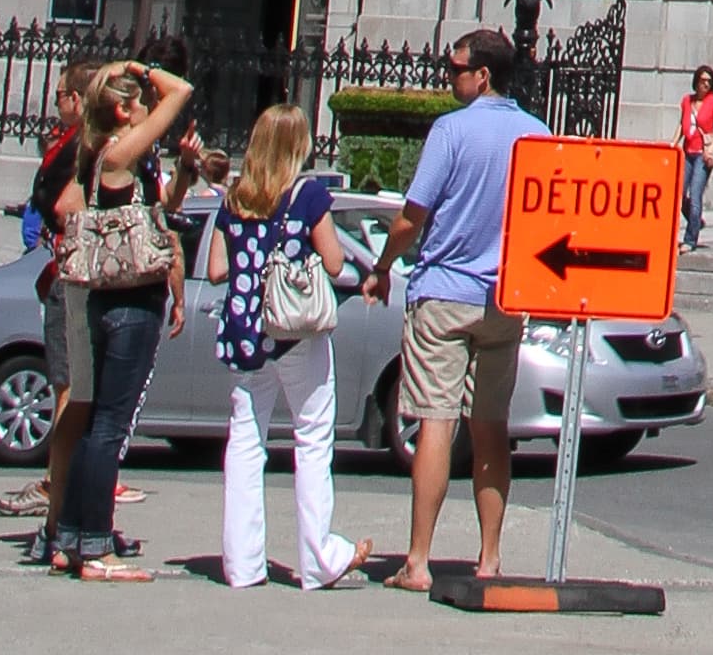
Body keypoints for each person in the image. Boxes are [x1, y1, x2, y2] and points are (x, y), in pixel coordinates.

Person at [360, 30, 546, 591]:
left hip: (444, 292)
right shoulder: (536, 136)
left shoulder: (451, 131)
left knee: (435, 423)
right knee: (491, 428)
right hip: (504, 297)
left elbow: (412, 216)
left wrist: (382, 264)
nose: (449, 78)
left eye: (454, 68)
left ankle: (418, 560)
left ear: (482, 74)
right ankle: (489, 557)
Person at [202, 103, 368, 589]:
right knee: (312, 438)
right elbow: (336, 263)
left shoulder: (235, 197)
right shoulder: (307, 196)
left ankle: (242, 563)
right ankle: (319, 560)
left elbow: (215, 269)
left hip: (247, 332)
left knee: (246, 440)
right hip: (295, 331)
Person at [45, 57, 195, 576]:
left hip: (103, 293)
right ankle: (94, 547)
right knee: (111, 426)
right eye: (136, 102)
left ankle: (70, 535)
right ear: (124, 108)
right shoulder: (119, 150)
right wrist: (141, 66)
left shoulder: (91, 152)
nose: (146, 108)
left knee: (94, 423)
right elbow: (181, 91)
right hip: (133, 299)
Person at [0, 59, 97, 532]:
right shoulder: (85, 147)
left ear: (78, 100)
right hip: (72, 277)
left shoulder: (80, 150)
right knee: (73, 388)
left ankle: (58, 498)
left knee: (69, 389)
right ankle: (63, 496)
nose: (56, 103)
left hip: (73, 276)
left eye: (60, 95)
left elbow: (58, 206)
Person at [677, 68, 713, 253]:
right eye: (702, 80)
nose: (705, 83)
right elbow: (681, 126)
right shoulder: (686, 101)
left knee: (695, 194)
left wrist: (712, 147)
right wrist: (673, 143)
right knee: (679, 195)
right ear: (696, 81)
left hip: (702, 154)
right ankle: (696, 221)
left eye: (709, 80)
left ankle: (690, 239)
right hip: (687, 152)